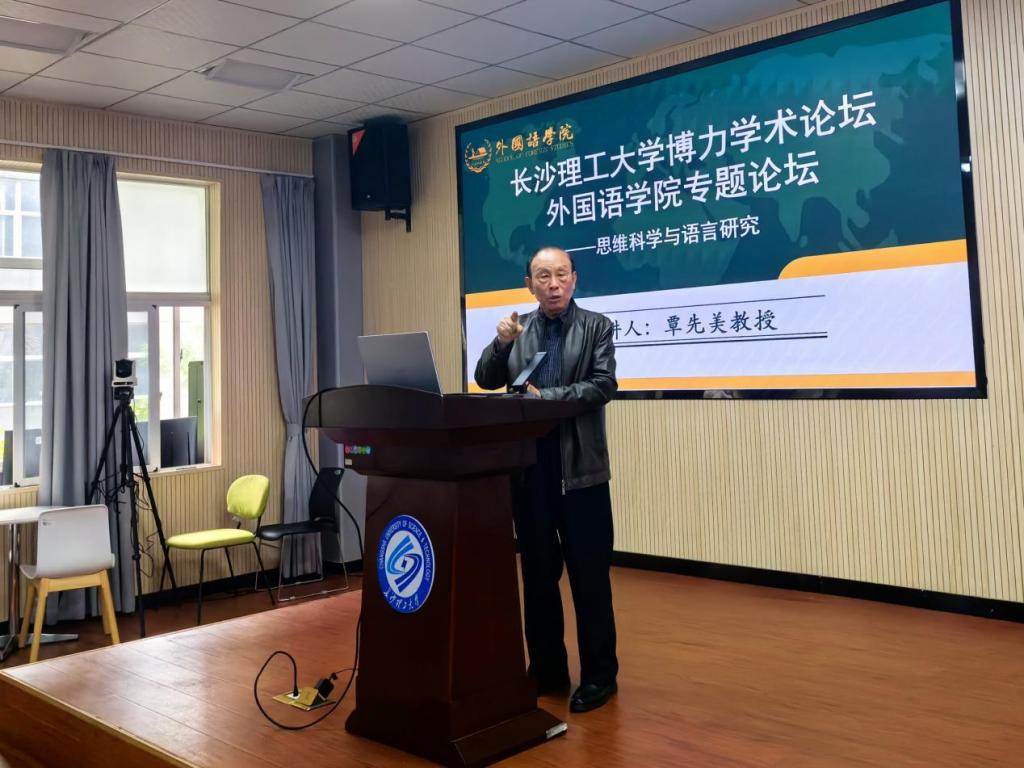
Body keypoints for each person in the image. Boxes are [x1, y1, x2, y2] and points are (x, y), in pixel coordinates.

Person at [474, 246, 619, 713]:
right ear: (529, 284)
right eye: (543, 276)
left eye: (560, 275)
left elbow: (603, 384)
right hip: (531, 470)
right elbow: (486, 379)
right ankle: (547, 670)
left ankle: (600, 676)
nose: (553, 284)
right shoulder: (520, 330)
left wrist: (545, 399)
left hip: (581, 471)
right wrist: (500, 344)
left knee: (589, 579)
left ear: (574, 279)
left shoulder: (597, 326)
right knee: (538, 578)